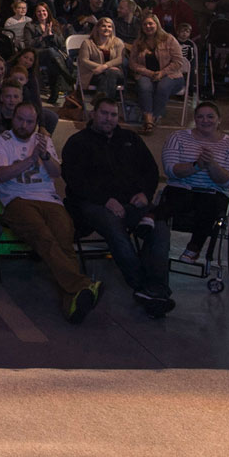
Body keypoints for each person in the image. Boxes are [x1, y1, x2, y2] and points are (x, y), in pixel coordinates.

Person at [61, 96, 173, 316]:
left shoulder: (130, 138)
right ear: (93, 114)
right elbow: (74, 180)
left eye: (113, 115)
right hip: (92, 204)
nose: (109, 119)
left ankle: (157, 287)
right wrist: (105, 200)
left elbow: (150, 170)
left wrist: (145, 193)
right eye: (104, 113)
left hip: (133, 201)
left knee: (159, 226)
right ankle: (141, 284)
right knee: (114, 227)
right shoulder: (78, 142)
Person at [0, 101, 101, 321]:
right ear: (13, 118)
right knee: (44, 236)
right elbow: (2, 174)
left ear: (36, 123)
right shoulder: (0, 141)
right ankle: (82, 285)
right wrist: (30, 160)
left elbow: (57, 173)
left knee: (64, 238)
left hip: (48, 198)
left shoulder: (44, 141)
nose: (24, 125)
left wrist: (45, 157)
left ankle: (74, 300)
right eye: (20, 119)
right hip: (17, 199)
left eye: (29, 121)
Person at [160, 101, 229, 260]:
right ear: (195, 119)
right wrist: (197, 165)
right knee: (172, 199)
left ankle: (194, 247)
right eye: (200, 117)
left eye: (210, 116)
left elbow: (228, 181)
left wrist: (211, 164)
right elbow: (171, 171)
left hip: (213, 193)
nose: (205, 120)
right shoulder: (177, 138)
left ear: (219, 119)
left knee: (208, 203)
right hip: (182, 189)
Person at [127, 13, 189, 134]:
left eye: (150, 23)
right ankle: (148, 118)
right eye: (145, 24)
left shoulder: (169, 39)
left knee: (162, 86)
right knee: (144, 86)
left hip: (171, 75)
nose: (148, 26)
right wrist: (149, 73)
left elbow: (178, 61)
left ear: (157, 24)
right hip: (147, 74)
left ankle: (153, 118)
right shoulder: (138, 42)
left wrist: (162, 73)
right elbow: (132, 63)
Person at [76, 16, 126, 98]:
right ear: (97, 28)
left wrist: (105, 67)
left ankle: (100, 102)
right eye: (103, 26)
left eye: (109, 26)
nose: (107, 28)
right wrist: (100, 67)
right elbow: (84, 60)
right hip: (93, 73)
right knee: (109, 76)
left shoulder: (118, 42)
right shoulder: (87, 43)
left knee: (111, 74)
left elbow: (120, 59)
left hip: (115, 74)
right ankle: (104, 101)